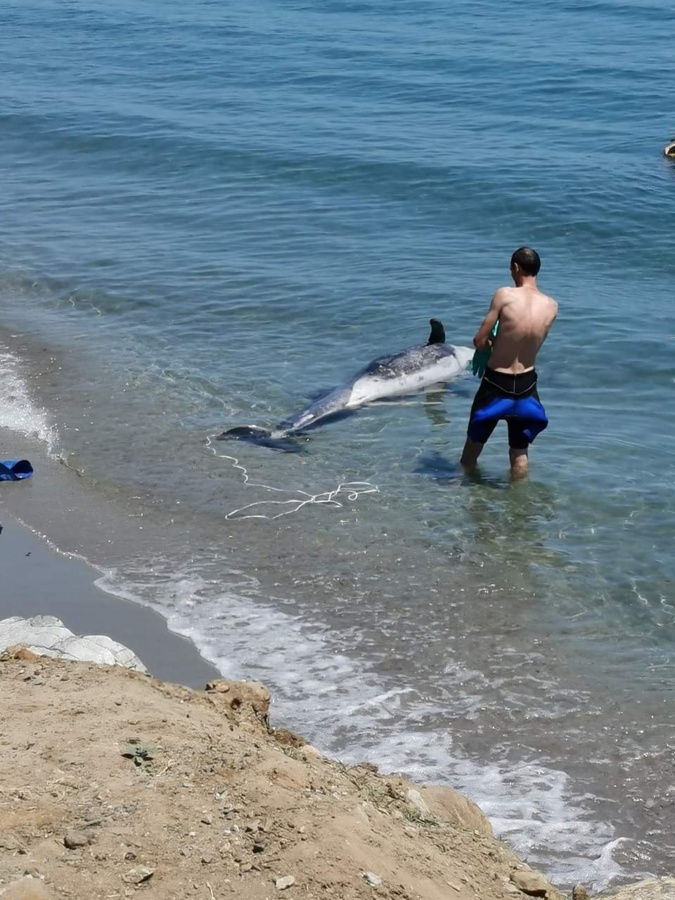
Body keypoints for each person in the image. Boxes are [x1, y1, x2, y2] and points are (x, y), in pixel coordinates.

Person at [460, 247, 558, 478]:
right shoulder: (551, 306)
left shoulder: (504, 295)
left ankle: (464, 496)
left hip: (496, 384)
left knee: (472, 450)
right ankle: (519, 508)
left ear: (516, 267)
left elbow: (479, 340)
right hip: (526, 387)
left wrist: (492, 342)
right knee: (519, 454)